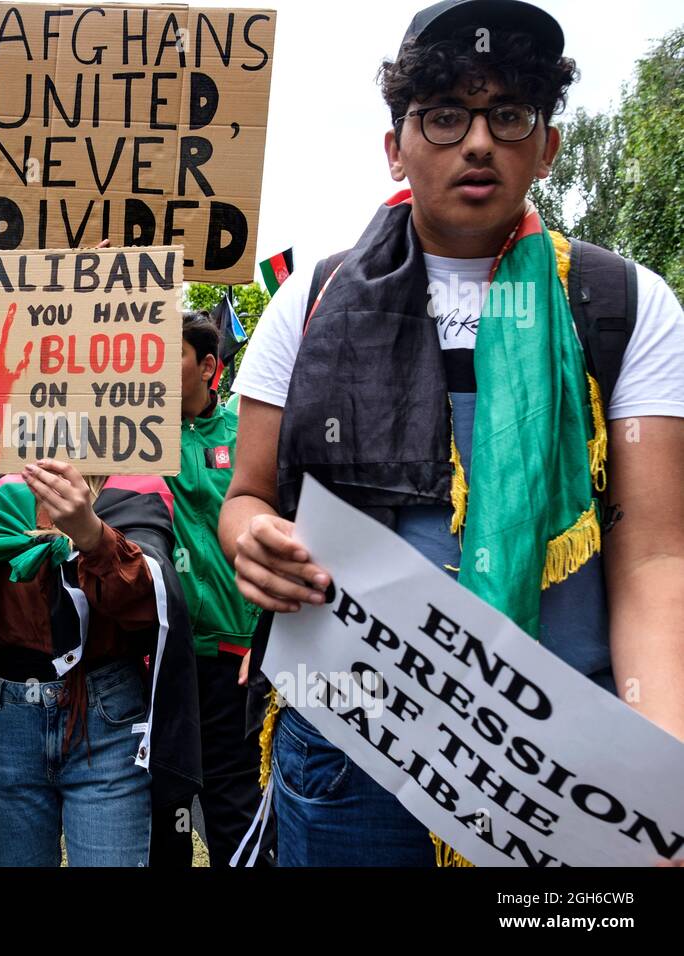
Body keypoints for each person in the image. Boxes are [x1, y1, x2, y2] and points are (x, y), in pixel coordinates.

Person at [220, 0, 684, 867]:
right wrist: (252, 538)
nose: (478, 142)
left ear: (545, 144)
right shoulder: (311, 301)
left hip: (558, 760)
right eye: (444, 115)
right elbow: (245, 497)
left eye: (508, 114)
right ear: (395, 145)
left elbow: (656, 558)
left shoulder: (625, 304)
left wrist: (661, 770)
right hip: (347, 750)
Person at [0, 457, 197, 867]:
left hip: (108, 724)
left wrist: (92, 536)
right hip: (9, 724)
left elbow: (144, 605)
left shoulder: (138, 489)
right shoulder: (9, 494)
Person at [150, 312, 270, 867]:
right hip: (156, 658)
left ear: (207, 367)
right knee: (161, 804)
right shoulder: (132, 436)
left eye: (168, 354)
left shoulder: (248, 439)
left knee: (233, 803)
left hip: (234, 655)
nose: (155, 369)